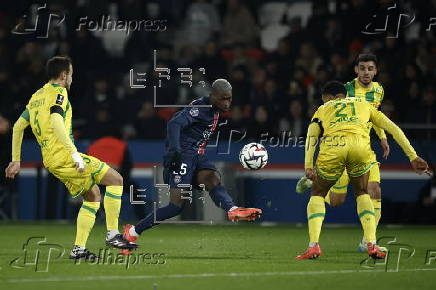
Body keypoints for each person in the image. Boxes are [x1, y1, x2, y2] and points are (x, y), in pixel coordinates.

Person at [4, 56, 137, 260]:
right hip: (65, 156)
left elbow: (18, 126)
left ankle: (79, 249)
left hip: (51, 160)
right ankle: (112, 234)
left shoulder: (37, 96)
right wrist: (74, 154)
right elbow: (57, 120)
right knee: (116, 179)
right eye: (72, 74)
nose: (72, 79)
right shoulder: (60, 93)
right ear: (64, 75)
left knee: (93, 195)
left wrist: (16, 159)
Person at [121, 79, 262, 255]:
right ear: (213, 96)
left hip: (197, 156)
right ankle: (132, 232)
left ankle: (232, 210)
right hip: (182, 157)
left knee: (212, 179)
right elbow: (174, 123)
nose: (227, 103)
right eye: (223, 99)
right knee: (175, 206)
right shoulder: (200, 108)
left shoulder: (215, 110)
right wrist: (175, 151)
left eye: (229, 99)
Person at [296, 81, 430, 260]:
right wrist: (413, 156)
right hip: (360, 148)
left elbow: (312, 136)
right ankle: (371, 244)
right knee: (362, 192)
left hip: (334, 147)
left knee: (318, 193)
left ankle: (313, 246)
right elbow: (393, 128)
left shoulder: (323, 108)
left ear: (330, 97)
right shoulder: (363, 104)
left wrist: (308, 166)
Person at [296, 53, 390, 251]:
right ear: (356, 70)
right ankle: (317, 183)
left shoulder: (379, 90)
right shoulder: (346, 90)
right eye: (362, 68)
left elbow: (375, 116)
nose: (366, 72)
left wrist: (382, 137)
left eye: (370, 68)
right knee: (337, 200)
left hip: (363, 148)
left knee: (374, 189)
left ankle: (368, 241)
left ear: (376, 71)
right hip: (340, 148)